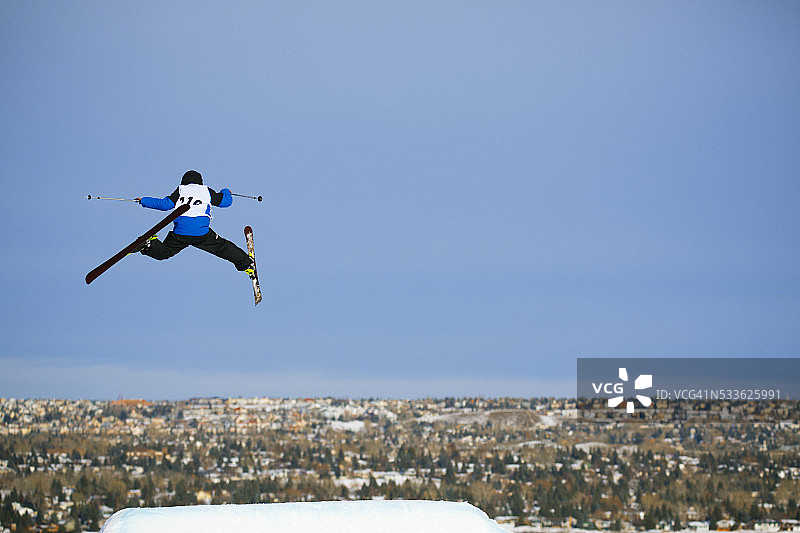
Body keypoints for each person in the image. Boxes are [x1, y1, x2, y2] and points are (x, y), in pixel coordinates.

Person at [135, 170, 254, 276]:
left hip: (180, 233)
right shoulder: (206, 191)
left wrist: (143, 201)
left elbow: (164, 205)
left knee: (165, 252)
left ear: (184, 181)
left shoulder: (181, 190)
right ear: (200, 182)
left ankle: (149, 245)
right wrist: (226, 191)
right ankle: (246, 264)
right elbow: (226, 202)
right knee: (222, 248)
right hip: (200, 232)